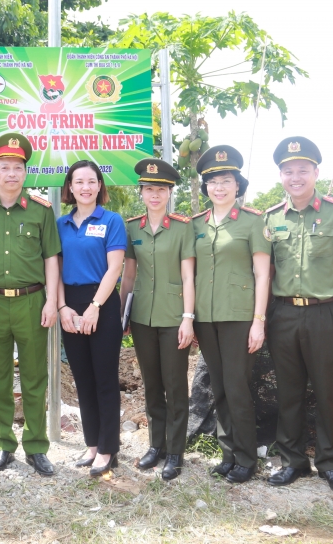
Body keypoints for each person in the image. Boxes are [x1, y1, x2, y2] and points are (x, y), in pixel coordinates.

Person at [263, 137, 333, 494]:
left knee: (328, 391)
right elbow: (268, 272)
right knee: (288, 392)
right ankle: (292, 461)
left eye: (302, 170)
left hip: (327, 314)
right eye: (288, 171)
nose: (296, 176)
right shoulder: (272, 217)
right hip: (284, 315)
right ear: (280, 175)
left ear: (315, 172)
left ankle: (329, 463)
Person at [0, 133, 61, 477]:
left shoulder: (41, 211)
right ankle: (3, 444)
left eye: (18, 167)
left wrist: (52, 301)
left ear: (25, 173)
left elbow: (52, 258)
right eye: (5, 167)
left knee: (34, 377)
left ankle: (37, 446)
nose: (12, 173)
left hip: (32, 302)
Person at [192, 145, 271, 484]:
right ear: (205, 187)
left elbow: (263, 274)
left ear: (238, 185)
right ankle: (228, 453)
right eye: (212, 182)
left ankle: (246, 458)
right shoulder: (196, 224)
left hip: (240, 317)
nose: (219, 187)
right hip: (206, 318)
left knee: (237, 387)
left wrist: (259, 321)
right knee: (219, 388)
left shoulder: (253, 222)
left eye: (226, 180)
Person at [119, 158, 195, 480]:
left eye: (160, 189)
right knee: (151, 384)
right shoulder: (132, 227)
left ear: (169, 192)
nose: (154, 195)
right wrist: (121, 314)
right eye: (149, 189)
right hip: (142, 319)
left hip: (174, 317)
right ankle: (156, 446)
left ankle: (175, 452)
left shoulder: (182, 227)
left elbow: (189, 277)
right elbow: (129, 275)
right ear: (141, 192)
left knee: (175, 386)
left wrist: (188, 318)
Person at [56, 160, 126, 479]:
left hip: (102, 303)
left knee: (104, 379)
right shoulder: (61, 224)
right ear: (69, 187)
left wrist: (96, 305)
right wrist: (62, 308)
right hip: (70, 305)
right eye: (78, 181)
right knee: (82, 379)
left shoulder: (112, 221)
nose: (85, 187)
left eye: (91, 181)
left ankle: (109, 447)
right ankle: (92, 444)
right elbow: (53, 270)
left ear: (100, 186)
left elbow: (114, 268)